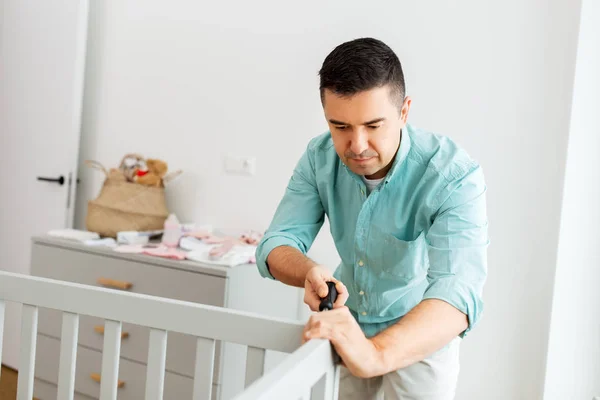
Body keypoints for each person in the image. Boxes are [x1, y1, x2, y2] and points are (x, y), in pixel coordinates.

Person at [255, 37, 488, 400]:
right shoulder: (318, 158)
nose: (357, 144)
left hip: (420, 333)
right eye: (341, 127)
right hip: (347, 322)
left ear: (404, 111)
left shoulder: (453, 173)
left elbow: (458, 292)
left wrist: (375, 354)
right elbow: (276, 243)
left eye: (373, 125)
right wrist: (309, 272)